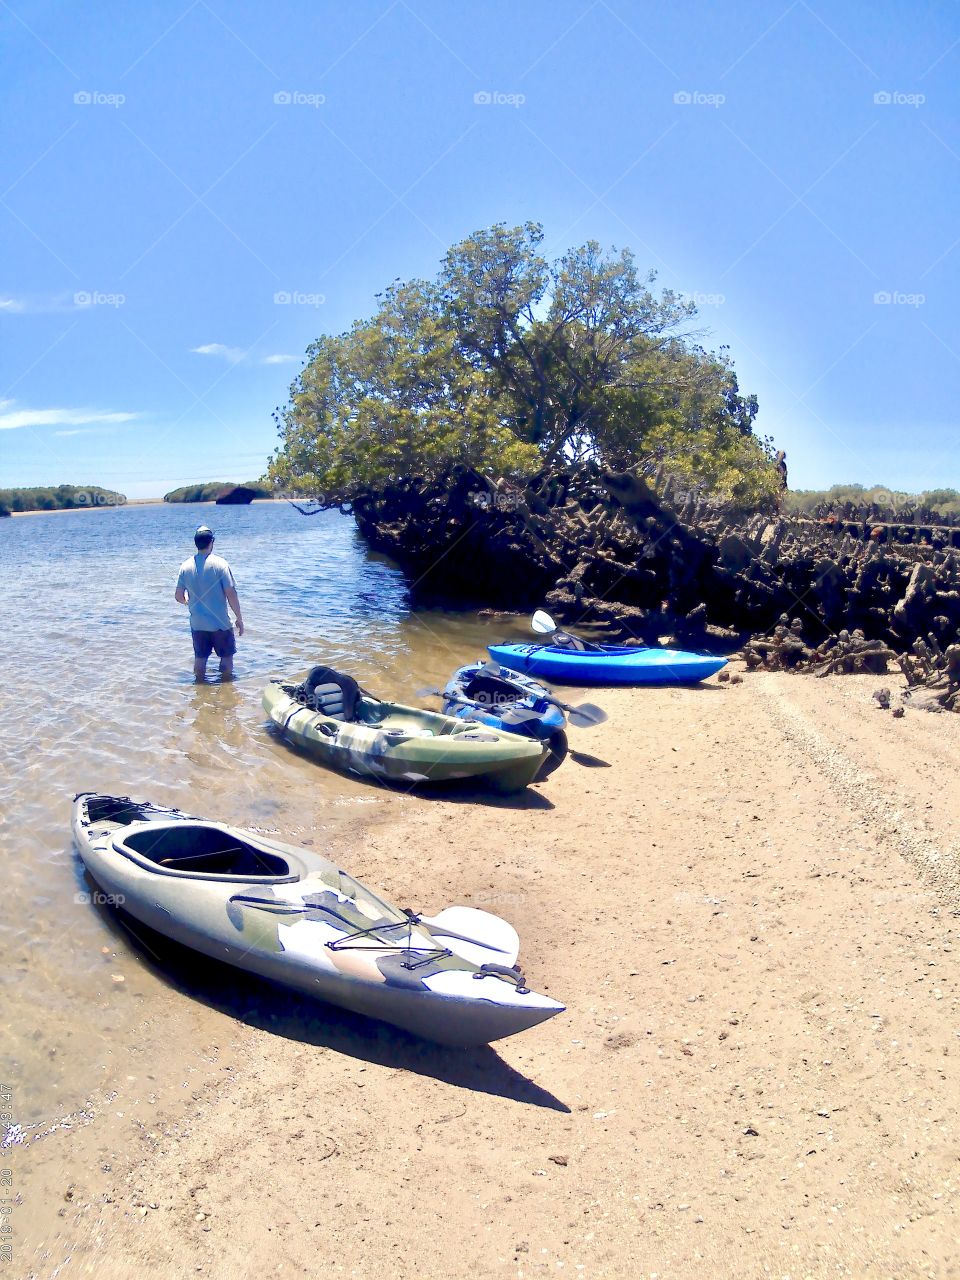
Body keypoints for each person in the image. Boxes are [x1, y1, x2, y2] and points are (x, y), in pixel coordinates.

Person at [175, 526, 244, 681]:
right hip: (220, 623)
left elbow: (179, 596)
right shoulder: (221, 564)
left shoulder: (185, 566)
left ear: (196, 543)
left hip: (197, 623)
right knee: (226, 657)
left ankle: (199, 688)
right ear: (211, 542)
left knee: (200, 659)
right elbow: (231, 594)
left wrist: (189, 604)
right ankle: (226, 688)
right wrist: (239, 618)